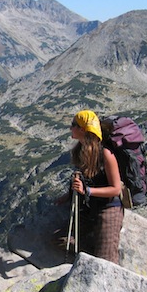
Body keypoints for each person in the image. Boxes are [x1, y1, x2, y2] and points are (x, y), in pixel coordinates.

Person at [59, 110, 124, 264]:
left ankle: (102, 252)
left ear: (83, 129)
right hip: (90, 206)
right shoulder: (79, 151)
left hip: (109, 207)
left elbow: (116, 189)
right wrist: (69, 195)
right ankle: (92, 252)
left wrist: (87, 191)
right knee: (62, 240)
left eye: (73, 125)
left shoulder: (106, 154)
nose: (70, 128)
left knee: (106, 262)